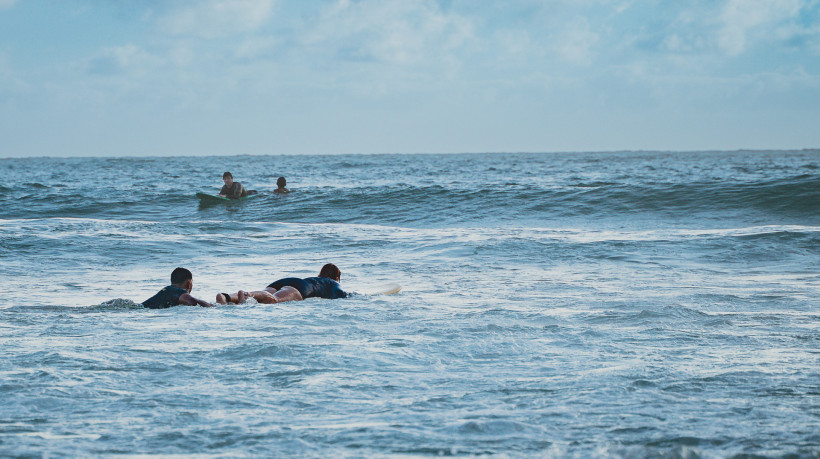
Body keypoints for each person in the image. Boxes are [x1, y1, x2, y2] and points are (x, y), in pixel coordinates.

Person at [216, 263, 348, 305]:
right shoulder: (332, 283)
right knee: (275, 300)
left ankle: (226, 297)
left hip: (289, 280)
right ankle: (246, 295)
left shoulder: (314, 279)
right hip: (301, 289)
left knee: (265, 294)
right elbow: (341, 294)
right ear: (336, 277)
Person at [142, 267, 215, 309]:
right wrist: (213, 307)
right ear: (189, 283)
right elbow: (192, 302)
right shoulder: (178, 291)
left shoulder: (170, 290)